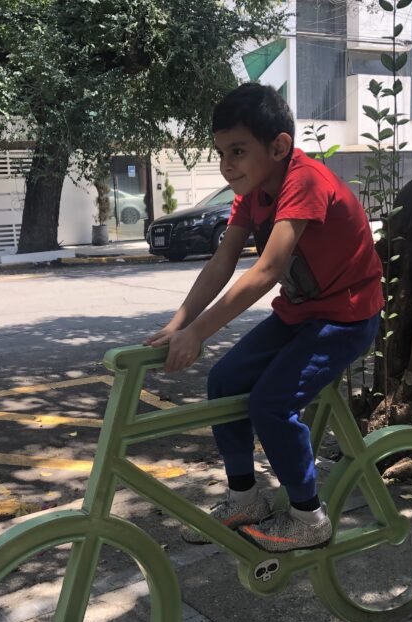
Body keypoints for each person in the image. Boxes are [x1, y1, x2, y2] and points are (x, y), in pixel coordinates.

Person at [145, 82, 384, 553]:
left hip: (346, 317)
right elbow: (222, 262)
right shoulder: (251, 193)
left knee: (271, 405)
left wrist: (198, 332)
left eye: (238, 150)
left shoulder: (305, 180)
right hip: (300, 314)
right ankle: (244, 498)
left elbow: (269, 269)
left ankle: (308, 515)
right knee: (225, 380)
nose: (226, 164)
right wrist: (178, 324)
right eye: (220, 153)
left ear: (279, 147)